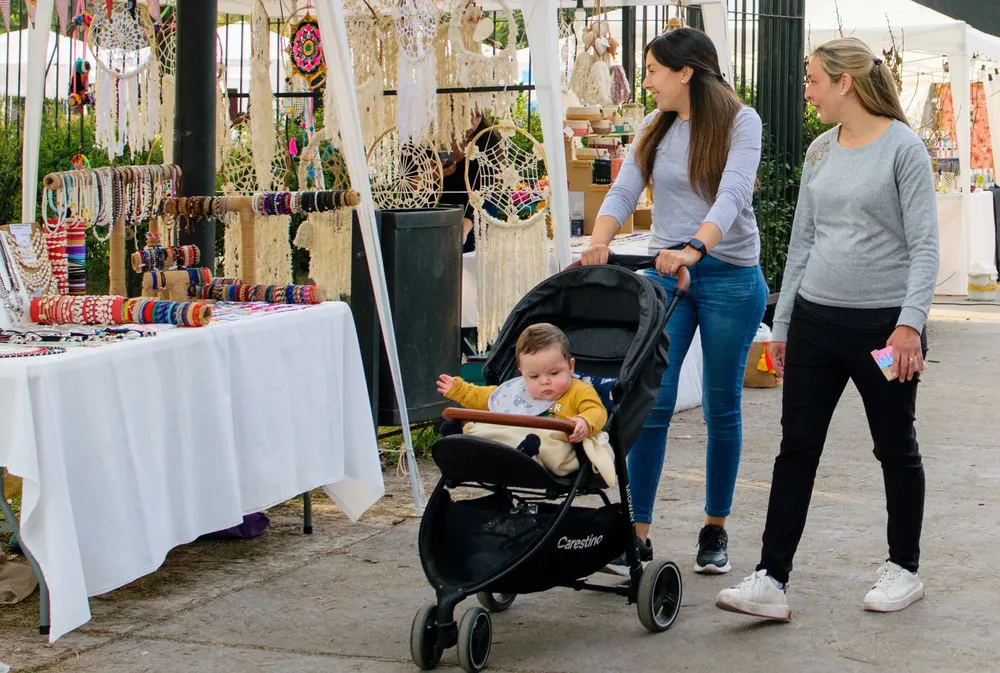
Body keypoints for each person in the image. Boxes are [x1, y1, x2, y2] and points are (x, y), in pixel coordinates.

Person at [715, 37, 939, 620]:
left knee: (895, 446)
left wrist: (909, 326)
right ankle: (770, 578)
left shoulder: (904, 149)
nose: (807, 91)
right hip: (815, 322)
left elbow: (924, 247)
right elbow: (802, 243)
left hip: (884, 333)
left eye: (813, 79)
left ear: (845, 82)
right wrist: (783, 324)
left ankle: (903, 569)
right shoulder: (819, 151)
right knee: (796, 449)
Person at [580, 27, 767, 576]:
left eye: (654, 70)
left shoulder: (740, 122)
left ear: (686, 72)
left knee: (720, 403)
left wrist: (694, 248)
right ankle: (634, 533)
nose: (647, 81)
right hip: (669, 275)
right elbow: (622, 190)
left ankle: (715, 529)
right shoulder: (652, 126)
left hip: (729, 274)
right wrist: (599, 239)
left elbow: (733, 193)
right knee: (651, 400)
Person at [437, 323, 608, 444]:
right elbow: (485, 397)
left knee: (551, 445)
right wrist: (459, 389)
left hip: (556, 444)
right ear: (522, 374)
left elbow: (597, 410)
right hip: (513, 441)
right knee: (489, 430)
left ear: (570, 367)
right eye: (534, 376)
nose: (545, 381)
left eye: (554, 373)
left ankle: (523, 451)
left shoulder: (579, 391)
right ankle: (463, 438)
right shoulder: (518, 391)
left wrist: (584, 422)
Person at [438, 111, 497, 252]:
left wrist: (467, 224)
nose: (472, 121)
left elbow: (485, 186)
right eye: (465, 113)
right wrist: (435, 174)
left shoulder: (486, 139)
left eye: (477, 115)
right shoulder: (434, 137)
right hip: (441, 212)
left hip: (478, 211)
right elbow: (414, 184)